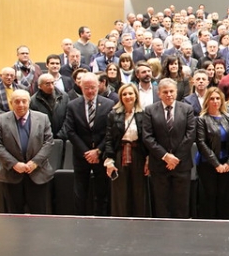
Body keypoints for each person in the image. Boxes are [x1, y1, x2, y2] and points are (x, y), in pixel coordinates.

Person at [141, 78, 197, 218]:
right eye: (165, 92)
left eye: (171, 91)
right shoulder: (150, 110)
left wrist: (175, 158)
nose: (169, 94)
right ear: (159, 93)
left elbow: (190, 135)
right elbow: (147, 137)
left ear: (176, 92)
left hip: (181, 164)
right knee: (161, 204)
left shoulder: (187, 109)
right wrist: (166, 156)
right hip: (159, 165)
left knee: (181, 204)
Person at [63, 72, 115, 216]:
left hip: (101, 155)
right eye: (87, 88)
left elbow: (110, 131)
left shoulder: (109, 104)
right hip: (82, 156)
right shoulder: (73, 105)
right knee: (80, 193)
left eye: (93, 87)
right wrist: (87, 152)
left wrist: (98, 151)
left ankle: (101, 220)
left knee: (102, 193)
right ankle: (80, 220)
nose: (90, 91)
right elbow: (70, 131)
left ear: (98, 86)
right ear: (81, 86)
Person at [0, 90, 54, 214]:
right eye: (17, 101)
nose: (21, 105)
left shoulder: (42, 118)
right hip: (11, 175)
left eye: (24, 101)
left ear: (29, 102)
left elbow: (49, 142)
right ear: (11, 103)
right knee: (13, 217)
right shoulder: (1, 120)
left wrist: (35, 162)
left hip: (38, 174)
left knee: (39, 215)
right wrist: (14, 164)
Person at [103, 83, 148, 217]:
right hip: (119, 154)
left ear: (136, 95)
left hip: (138, 155)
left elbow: (147, 139)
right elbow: (109, 139)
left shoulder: (143, 114)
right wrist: (109, 160)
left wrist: (148, 159)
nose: (128, 96)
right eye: (124, 94)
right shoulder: (113, 114)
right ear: (120, 97)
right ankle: (120, 221)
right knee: (119, 192)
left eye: (130, 93)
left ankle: (140, 223)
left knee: (139, 191)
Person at [195, 87, 229, 219]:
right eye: (212, 98)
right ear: (207, 100)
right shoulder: (202, 119)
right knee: (210, 196)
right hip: (208, 164)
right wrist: (216, 164)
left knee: (224, 196)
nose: (215, 101)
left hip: (226, 163)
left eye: (218, 98)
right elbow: (201, 143)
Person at [30, 73, 69, 139]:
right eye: (47, 84)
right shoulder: (33, 101)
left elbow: (68, 117)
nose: (51, 86)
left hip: (62, 137)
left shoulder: (64, 97)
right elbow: (34, 123)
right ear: (39, 86)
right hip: (43, 138)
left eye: (53, 83)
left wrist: (61, 135)